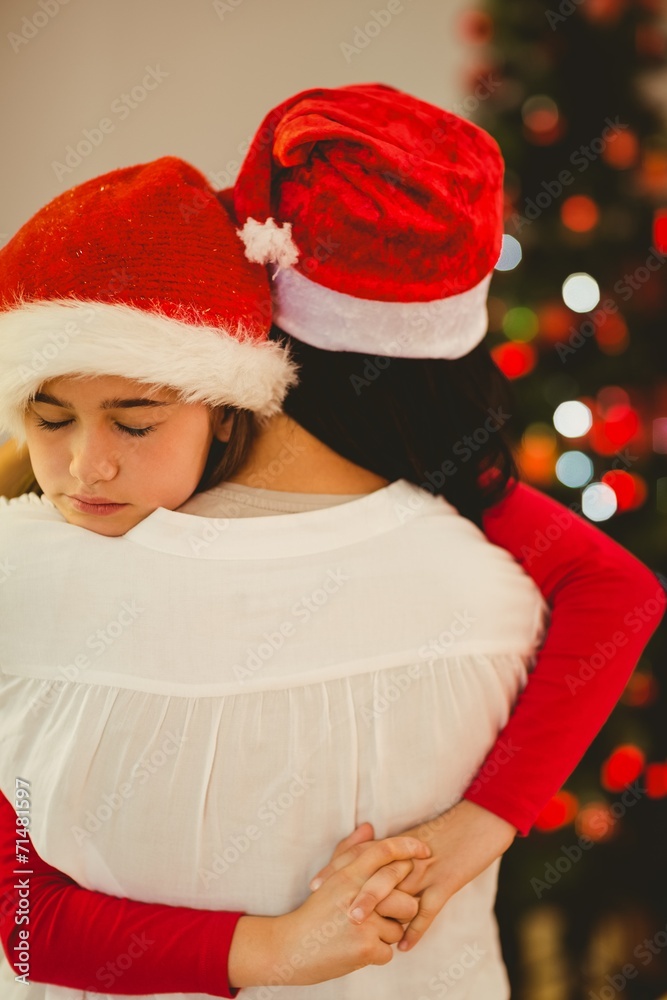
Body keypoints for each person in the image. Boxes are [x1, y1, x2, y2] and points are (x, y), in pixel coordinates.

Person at [0, 87, 663, 999]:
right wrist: (482, 823)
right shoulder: (474, 534)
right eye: (51, 418)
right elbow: (22, 915)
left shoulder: (34, 579)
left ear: (237, 373)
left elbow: (26, 923)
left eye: (138, 420)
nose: (88, 468)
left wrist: (483, 820)